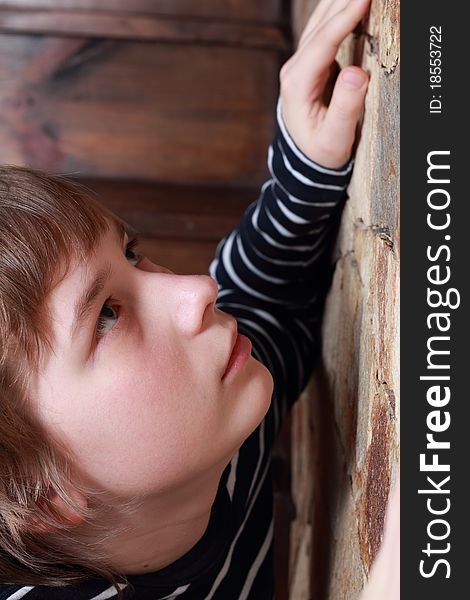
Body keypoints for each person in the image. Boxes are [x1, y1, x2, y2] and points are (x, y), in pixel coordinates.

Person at [0, 0, 398, 598]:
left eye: (132, 255)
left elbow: (270, 304)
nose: (197, 289)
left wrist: (304, 164)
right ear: (47, 497)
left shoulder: (202, 425)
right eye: (107, 316)